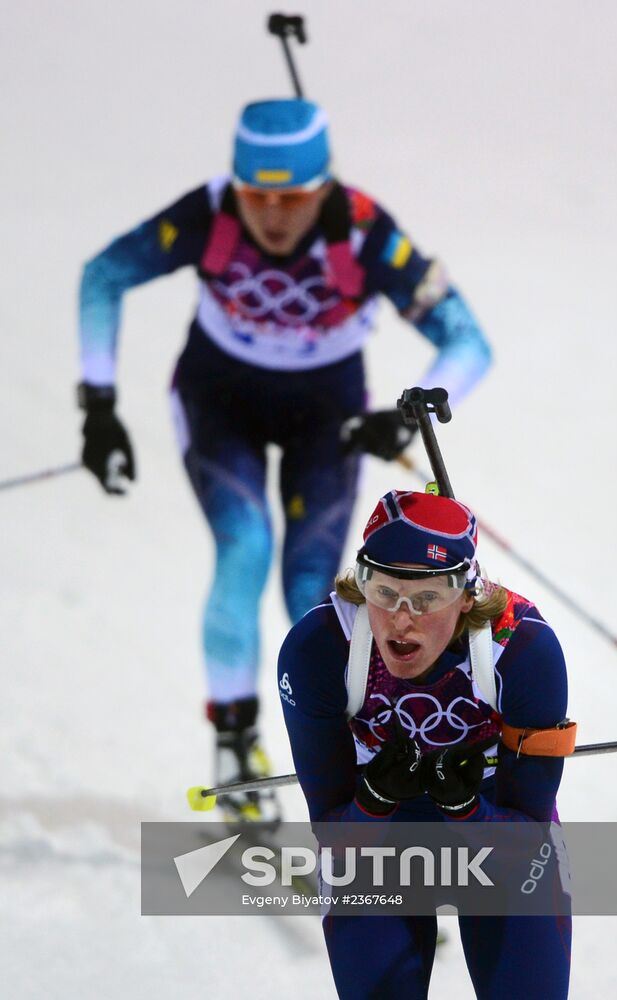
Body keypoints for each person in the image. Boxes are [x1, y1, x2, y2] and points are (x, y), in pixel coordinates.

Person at [76, 97, 492, 821]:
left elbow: (469, 342)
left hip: (323, 419)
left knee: (313, 589)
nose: (272, 215)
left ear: (324, 187)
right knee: (244, 549)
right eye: (255, 195)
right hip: (218, 403)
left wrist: (404, 417)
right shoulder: (209, 214)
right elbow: (104, 275)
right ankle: (235, 748)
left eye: (293, 197)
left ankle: (360, 760)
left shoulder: (364, 233)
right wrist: (99, 405)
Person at [278, 489, 572, 999]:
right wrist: (373, 799)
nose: (401, 619)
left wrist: (466, 809)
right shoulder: (320, 649)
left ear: (468, 595)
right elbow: (332, 830)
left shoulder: (521, 649)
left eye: (428, 598)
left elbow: (528, 840)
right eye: (384, 592)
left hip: (497, 824)